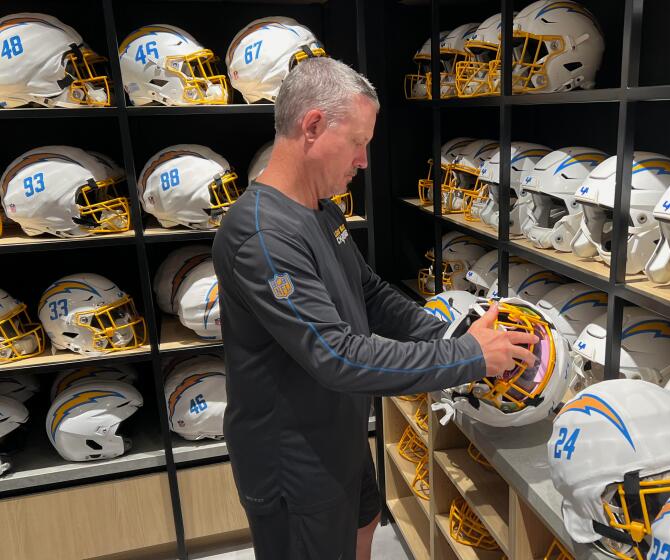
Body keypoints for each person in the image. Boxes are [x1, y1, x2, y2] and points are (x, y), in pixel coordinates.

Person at [212, 57, 537, 560]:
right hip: (292, 458)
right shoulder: (262, 236)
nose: (364, 161)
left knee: (364, 525)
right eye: (359, 142)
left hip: (337, 432)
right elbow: (338, 357)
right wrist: (468, 357)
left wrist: (450, 332)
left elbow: (369, 292)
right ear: (314, 126)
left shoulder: (321, 209)